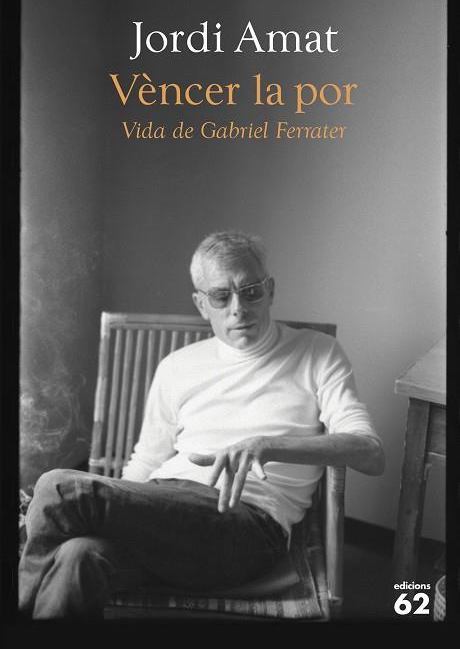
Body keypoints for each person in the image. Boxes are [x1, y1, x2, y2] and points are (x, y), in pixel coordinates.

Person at [19, 230, 384, 619]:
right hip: (162, 509)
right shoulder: (177, 366)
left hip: (244, 527)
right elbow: (148, 460)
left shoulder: (317, 353)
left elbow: (371, 453)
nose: (238, 309)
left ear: (271, 290)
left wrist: (267, 445)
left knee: (59, 487)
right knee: (78, 556)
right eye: (221, 296)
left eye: (251, 292)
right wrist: (119, 506)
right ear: (201, 304)